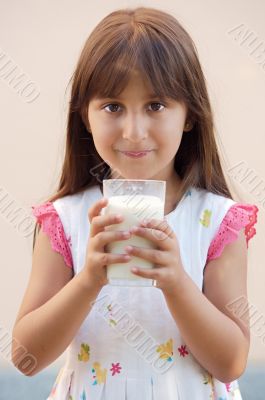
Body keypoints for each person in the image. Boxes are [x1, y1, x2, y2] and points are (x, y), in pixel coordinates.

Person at [12, 6, 259, 399]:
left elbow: (230, 362)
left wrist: (177, 283)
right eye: (112, 106)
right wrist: (89, 279)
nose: (133, 131)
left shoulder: (216, 220)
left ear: (190, 114)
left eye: (156, 106)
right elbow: (25, 359)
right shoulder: (65, 218)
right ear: (85, 116)